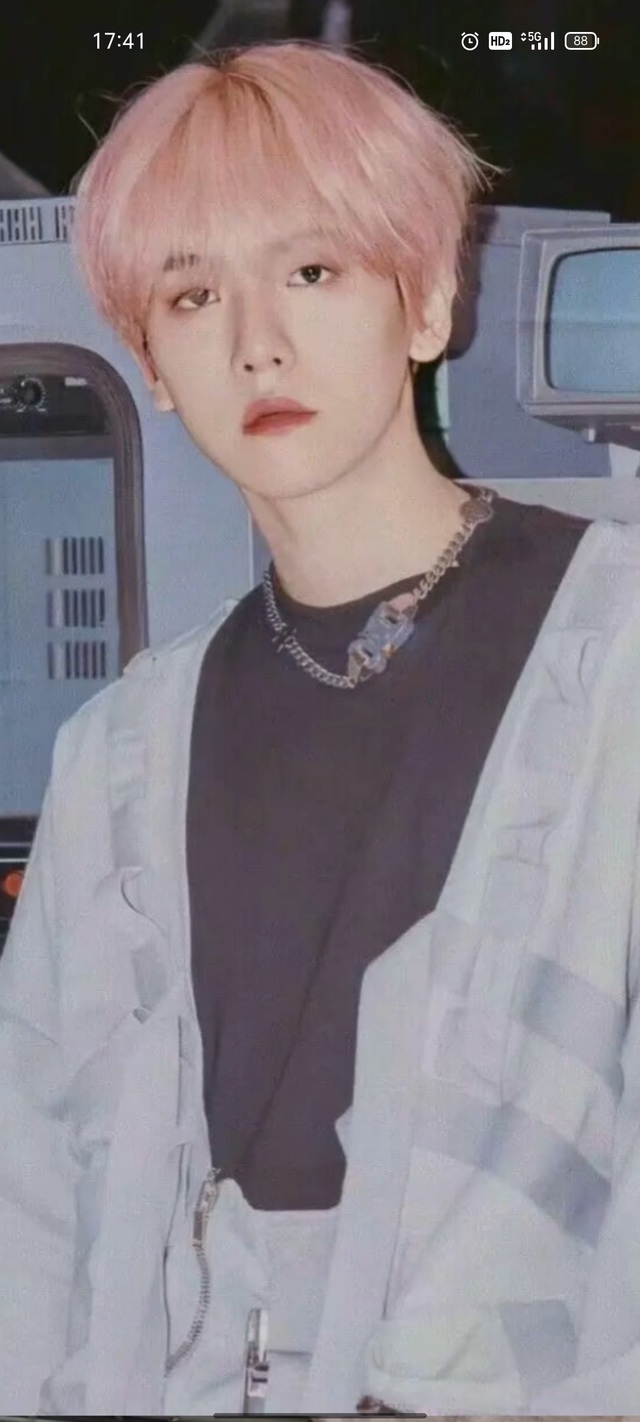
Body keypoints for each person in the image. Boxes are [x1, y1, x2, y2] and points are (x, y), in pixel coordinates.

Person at [1, 36, 640, 1420]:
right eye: (193, 294)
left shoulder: (617, 664)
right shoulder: (116, 755)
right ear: (149, 362)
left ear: (428, 299)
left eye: (312, 271)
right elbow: (29, 1224)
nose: (257, 342)